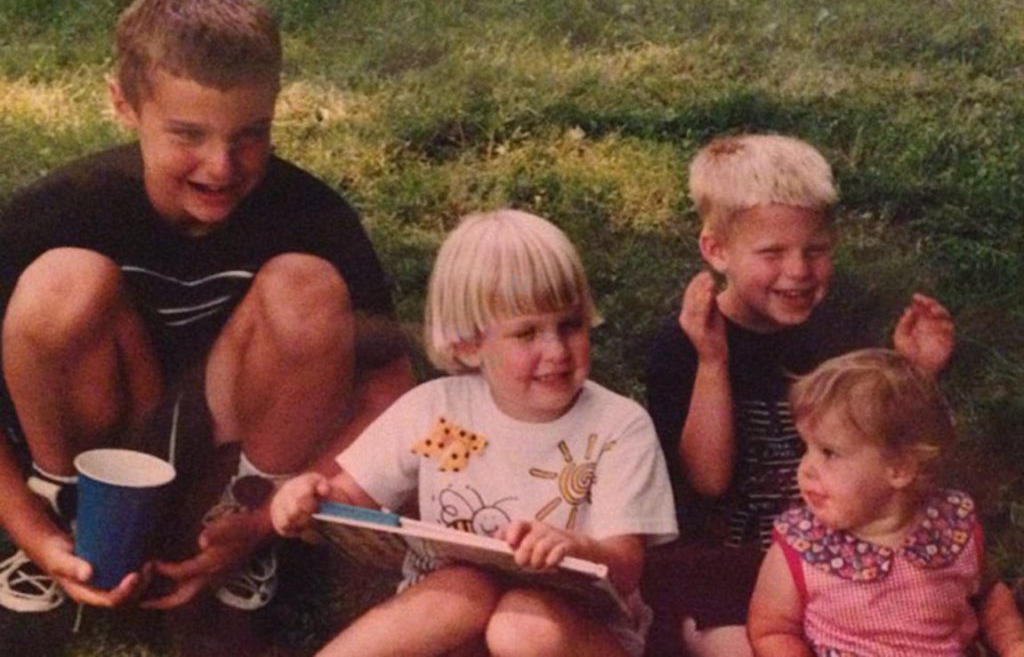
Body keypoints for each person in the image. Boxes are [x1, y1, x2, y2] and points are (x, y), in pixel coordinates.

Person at [0, 0, 414, 616]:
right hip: (101, 429)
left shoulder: (314, 216)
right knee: (63, 283)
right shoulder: (56, 213)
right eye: (188, 134)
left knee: (307, 288)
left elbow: (392, 393)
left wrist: (266, 523)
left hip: (232, 451)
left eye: (251, 133)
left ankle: (238, 522)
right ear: (123, 104)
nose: (221, 166)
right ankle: (70, 517)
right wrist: (29, 527)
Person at [270, 209, 679, 657]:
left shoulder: (615, 425)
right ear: (468, 345)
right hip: (455, 624)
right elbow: (349, 503)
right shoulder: (442, 415)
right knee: (463, 589)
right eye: (527, 334)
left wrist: (574, 546)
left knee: (520, 625)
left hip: (575, 630)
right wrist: (308, 503)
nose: (557, 350)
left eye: (571, 325)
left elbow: (625, 566)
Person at [643, 134, 955, 656]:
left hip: (836, 563)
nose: (799, 271)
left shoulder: (836, 335)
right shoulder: (683, 345)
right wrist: (712, 363)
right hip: (730, 571)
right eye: (772, 252)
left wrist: (914, 375)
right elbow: (708, 480)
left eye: (817, 250)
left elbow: (888, 455)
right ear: (716, 250)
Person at [748, 348, 1024, 656]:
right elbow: (773, 629)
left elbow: (989, 595)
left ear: (899, 468)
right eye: (807, 447)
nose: (806, 467)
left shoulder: (951, 530)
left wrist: (1013, 644)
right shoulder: (802, 545)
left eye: (829, 452)